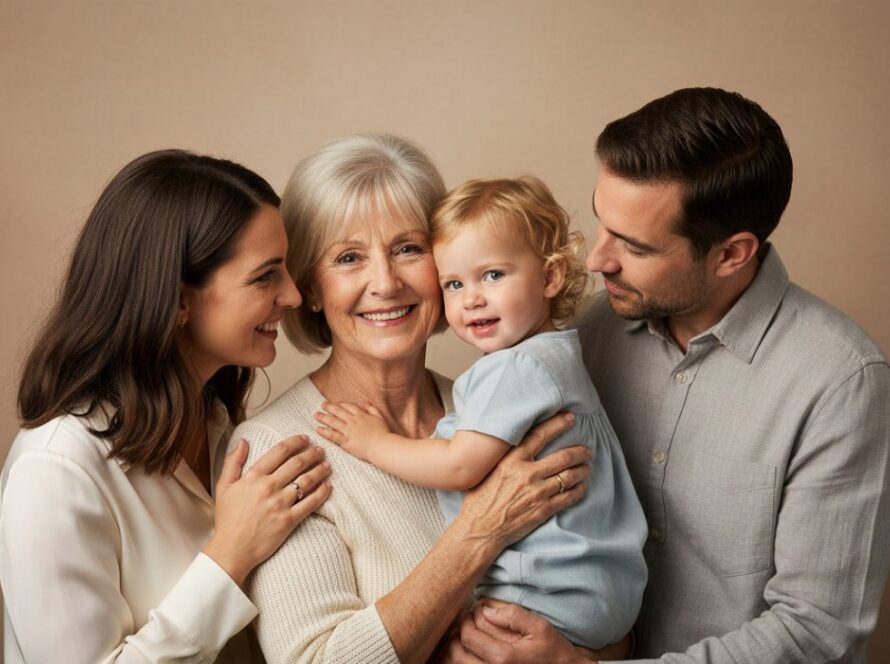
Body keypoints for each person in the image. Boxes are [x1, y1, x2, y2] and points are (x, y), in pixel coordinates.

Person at [445, 88, 890, 663]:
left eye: (634, 247)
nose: (596, 260)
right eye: (603, 223)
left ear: (731, 254)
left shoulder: (841, 382)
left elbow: (817, 631)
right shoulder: (586, 334)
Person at [228, 134, 607, 664]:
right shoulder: (276, 447)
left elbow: (608, 589)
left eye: (408, 249)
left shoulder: (507, 409)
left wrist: (575, 659)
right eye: (349, 258)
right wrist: (479, 532)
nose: (385, 283)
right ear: (310, 288)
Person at [0, 149, 333, 663]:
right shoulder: (54, 468)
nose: (292, 296)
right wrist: (230, 555)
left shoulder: (220, 423)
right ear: (178, 299)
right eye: (266, 275)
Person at [315, 175, 647, 650]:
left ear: (550, 277)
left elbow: (458, 466)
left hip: (548, 598)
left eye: (492, 275)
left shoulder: (515, 368)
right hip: (600, 594)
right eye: (453, 283)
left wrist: (373, 442)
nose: (471, 298)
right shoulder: (556, 357)